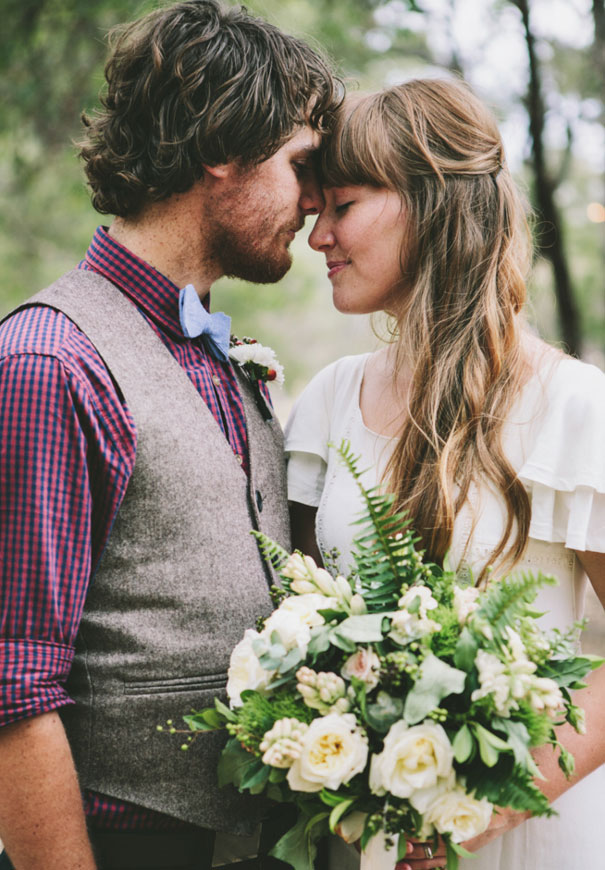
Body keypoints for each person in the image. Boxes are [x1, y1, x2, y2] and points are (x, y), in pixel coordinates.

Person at [0, 2, 340, 869]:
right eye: (301, 165)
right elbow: (12, 683)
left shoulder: (223, 355)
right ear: (221, 145)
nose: (313, 202)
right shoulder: (52, 360)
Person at [285, 78, 605, 870]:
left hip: (526, 833)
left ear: (431, 207)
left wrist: (489, 807)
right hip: (364, 837)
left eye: (342, 206)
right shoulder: (329, 400)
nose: (317, 236)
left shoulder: (574, 407)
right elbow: (297, 618)